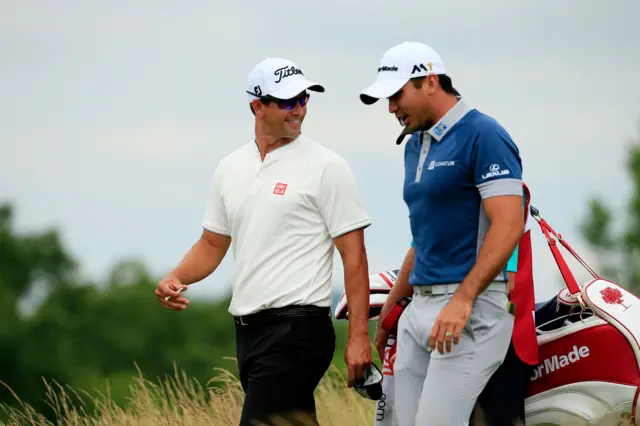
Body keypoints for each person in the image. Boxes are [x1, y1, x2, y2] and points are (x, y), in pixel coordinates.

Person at [155, 56, 373, 426]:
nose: (299, 109)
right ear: (258, 105)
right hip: (249, 331)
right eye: (288, 101)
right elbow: (211, 244)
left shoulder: (326, 166)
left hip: (299, 327)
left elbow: (354, 255)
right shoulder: (230, 168)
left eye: (304, 99)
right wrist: (176, 277)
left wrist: (358, 337)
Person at [360, 41, 525, 425]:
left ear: (430, 81)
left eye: (397, 95)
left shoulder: (484, 135)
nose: (391, 108)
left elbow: (509, 223)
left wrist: (464, 299)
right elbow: (425, 237)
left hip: (471, 310)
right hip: (421, 307)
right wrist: (394, 305)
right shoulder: (414, 144)